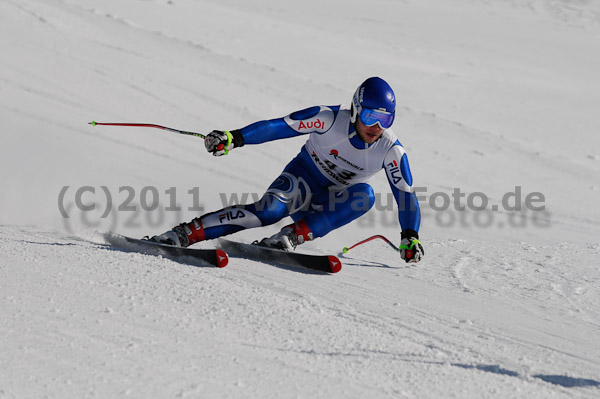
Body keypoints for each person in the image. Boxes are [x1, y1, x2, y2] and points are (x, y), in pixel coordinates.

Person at [149, 77, 424, 263]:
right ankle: (185, 233)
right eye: (370, 117)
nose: (377, 127)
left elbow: (405, 196)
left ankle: (289, 238)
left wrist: (410, 236)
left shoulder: (390, 150)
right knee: (268, 212)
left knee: (365, 195)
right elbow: (279, 126)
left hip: (327, 206)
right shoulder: (328, 119)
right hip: (303, 179)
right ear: (355, 110)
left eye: (385, 119)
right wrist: (235, 138)